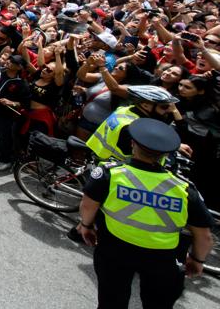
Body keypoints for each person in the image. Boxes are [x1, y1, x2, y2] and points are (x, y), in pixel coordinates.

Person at [77, 118, 214, 309]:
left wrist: (86, 226)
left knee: (111, 302)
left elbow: (87, 206)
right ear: (166, 154)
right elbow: (204, 236)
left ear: (132, 144)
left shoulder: (110, 174)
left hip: (114, 250)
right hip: (162, 259)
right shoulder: (184, 189)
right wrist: (197, 260)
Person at [86, 85, 185, 163]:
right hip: (112, 167)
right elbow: (148, 151)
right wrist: (173, 147)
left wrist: (175, 111)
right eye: (164, 107)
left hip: (100, 155)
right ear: (145, 105)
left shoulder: (128, 110)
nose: (169, 110)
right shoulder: (131, 127)